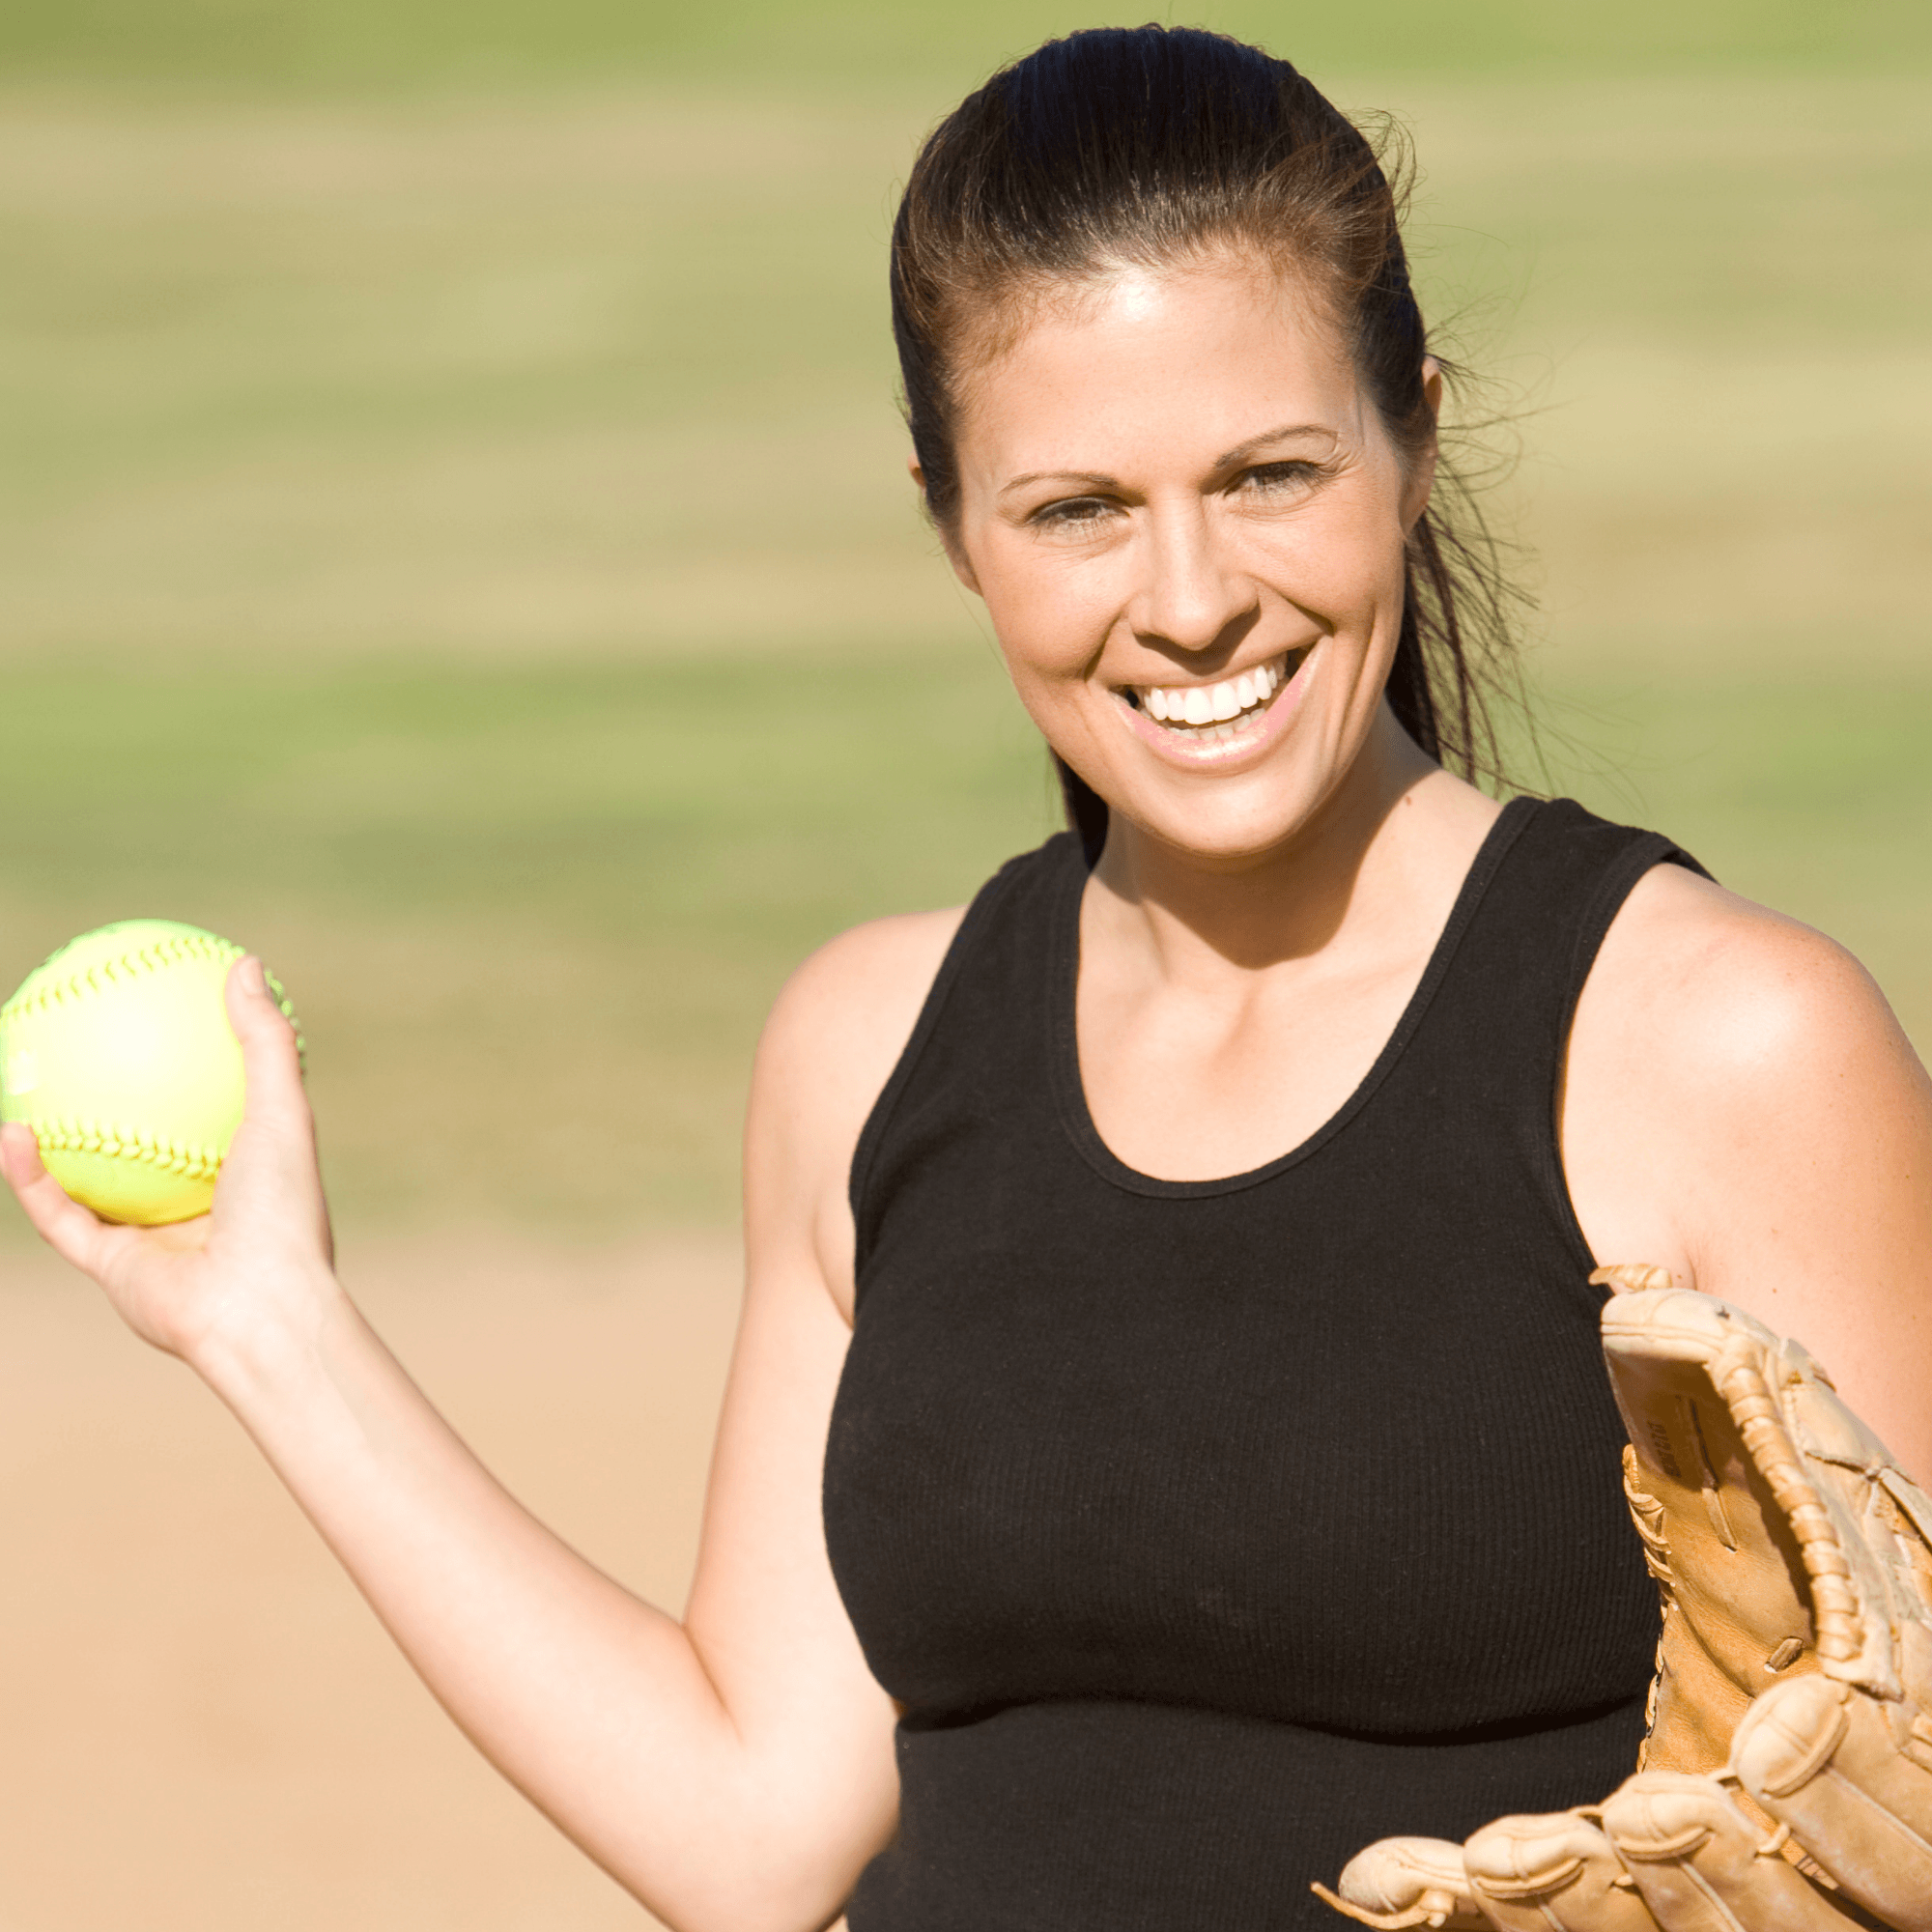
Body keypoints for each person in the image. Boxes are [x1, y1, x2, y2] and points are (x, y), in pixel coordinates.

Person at [4, 25, 1930, 1932]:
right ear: (950, 523)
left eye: (1268, 474)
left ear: (1411, 437)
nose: (1191, 599)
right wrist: (274, 1325)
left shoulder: (1712, 1047)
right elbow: (752, 1832)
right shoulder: (867, 1051)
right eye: (1075, 509)